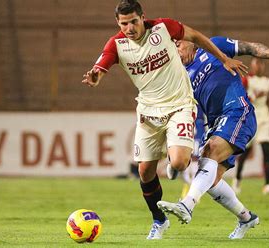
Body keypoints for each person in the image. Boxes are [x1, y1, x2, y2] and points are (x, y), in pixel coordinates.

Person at [81, 0, 247, 240]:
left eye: (133, 22)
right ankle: (159, 221)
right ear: (118, 23)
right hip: (148, 112)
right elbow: (101, 65)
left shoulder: (163, 28)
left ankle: (173, 156)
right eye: (124, 23)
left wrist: (223, 58)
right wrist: (96, 77)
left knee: (180, 163)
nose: (129, 28)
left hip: (179, 104)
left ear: (142, 17)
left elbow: (197, 37)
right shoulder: (117, 44)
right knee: (145, 171)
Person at [157, 36, 269, 239]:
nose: (176, 49)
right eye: (172, 48)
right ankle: (246, 218)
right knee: (211, 178)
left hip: (237, 111)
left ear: (191, 41)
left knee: (210, 153)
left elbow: (250, 46)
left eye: (178, 44)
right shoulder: (181, 76)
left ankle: (187, 205)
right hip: (216, 123)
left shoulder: (214, 46)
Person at [233, 58, 269, 195]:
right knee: (245, 153)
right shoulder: (247, 80)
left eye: (260, 64)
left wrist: (268, 100)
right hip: (251, 118)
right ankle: (237, 179)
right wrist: (253, 96)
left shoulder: (267, 81)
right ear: (252, 66)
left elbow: (265, 99)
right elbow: (241, 96)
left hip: (264, 118)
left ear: (263, 66)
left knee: (266, 151)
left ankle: (267, 185)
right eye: (255, 64)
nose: (258, 67)